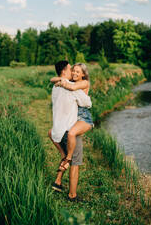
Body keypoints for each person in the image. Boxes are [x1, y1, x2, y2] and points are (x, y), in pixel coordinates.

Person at [48, 60, 92, 201]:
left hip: (58, 132)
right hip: (69, 129)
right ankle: (72, 195)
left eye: (76, 71)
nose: (72, 72)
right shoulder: (72, 87)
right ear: (65, 71)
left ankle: (58, 182)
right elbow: (87, 103)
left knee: (68, 156)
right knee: (75, 163)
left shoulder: (55, 87)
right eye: (71, 69)